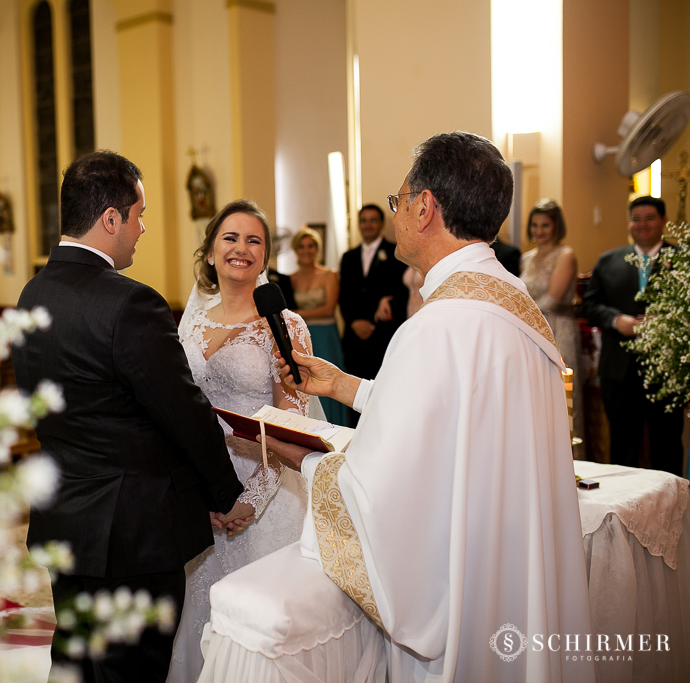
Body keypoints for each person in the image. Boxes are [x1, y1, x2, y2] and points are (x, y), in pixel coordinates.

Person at [199, 132, 593, 683]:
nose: (398, 212)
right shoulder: (514, 307)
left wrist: (302, 459)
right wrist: (343, 386)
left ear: (425, 207)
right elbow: (445, 413)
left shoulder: (435, 326)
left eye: (399, 200)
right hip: (511, 565)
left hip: (464, 593)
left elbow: (382, 492)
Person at [12, 151, 244, 683]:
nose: (142, 229)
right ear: (110, 219)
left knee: (74, 662)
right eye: (138, 215)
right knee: (132, 672)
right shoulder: (130, 304)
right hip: (135, 532)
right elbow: (182, 412)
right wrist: (224, 494)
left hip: (66, 516)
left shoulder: (31, 296)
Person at [167, 200, 312, 682]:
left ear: (265, 256)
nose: (241, 249)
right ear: (210, 251)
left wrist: (247, 500)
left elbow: (291, 425)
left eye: (254, 241)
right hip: (203, 488)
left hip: (265, 489)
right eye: (230, 238)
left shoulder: (284, 326)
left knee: (257, 627)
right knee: (202, 611)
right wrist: (203, 490)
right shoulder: (191, 322)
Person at [583, 196, 684, 475]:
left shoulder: (682, 261)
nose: (642, 225)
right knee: (623, 447)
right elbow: (589, 306)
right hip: (619, 370)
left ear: (663, 221)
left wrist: (666, 322)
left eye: (649, 218)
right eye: (636, 219)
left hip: (666, 371)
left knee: (667, 447)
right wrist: (617, 320)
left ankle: (673, 514)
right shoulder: (609, 260)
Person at [520, 199, 583, 454]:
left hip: (558, 329)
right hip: (529, 329)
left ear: (556, 226)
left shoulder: (565, 254)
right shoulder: (526, 258)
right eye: (534, 225)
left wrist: (518, 315)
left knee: (562, 397)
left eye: (545, 225)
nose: (539, 231)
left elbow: (552, 299)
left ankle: (571, 460)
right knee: (535, 396)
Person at [338, 203, 407, 425]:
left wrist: (376, 319)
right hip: (355, 339)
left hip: (382, 337)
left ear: (382, 224)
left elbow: (403, 292)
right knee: (352, 393)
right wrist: (354, 321)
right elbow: (344, 295)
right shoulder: (348, 257)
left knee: (381, 393)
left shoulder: (397, 253)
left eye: (373, 220)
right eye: (364, 220)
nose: (368, 225)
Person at [289, 226, 349, 426]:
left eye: (311, 246)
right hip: (301, 335)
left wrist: (295, 314)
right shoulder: (291, 279)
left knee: (327, 380)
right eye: (302, 246)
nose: (307, 250)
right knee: (306, 381)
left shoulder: (329, 275)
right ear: (296, 250)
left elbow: (328, 309)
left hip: (324, 334)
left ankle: (335, 426)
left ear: (318, 249)